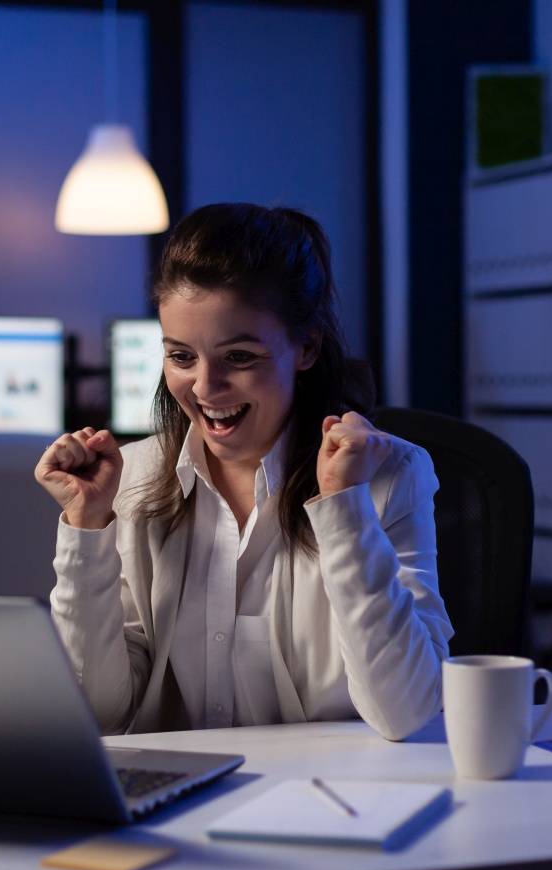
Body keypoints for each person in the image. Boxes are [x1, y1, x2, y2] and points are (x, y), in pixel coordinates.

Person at [34, 203, 452, 741]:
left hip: (331, 800)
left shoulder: (390, 475)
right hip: (177, 804)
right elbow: (97, 716)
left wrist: (344, 508)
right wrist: (87, 530)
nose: (206, 388)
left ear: (305, 347)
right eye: (181, 357)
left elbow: (407, 711)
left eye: (239, 358)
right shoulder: (131, 479)